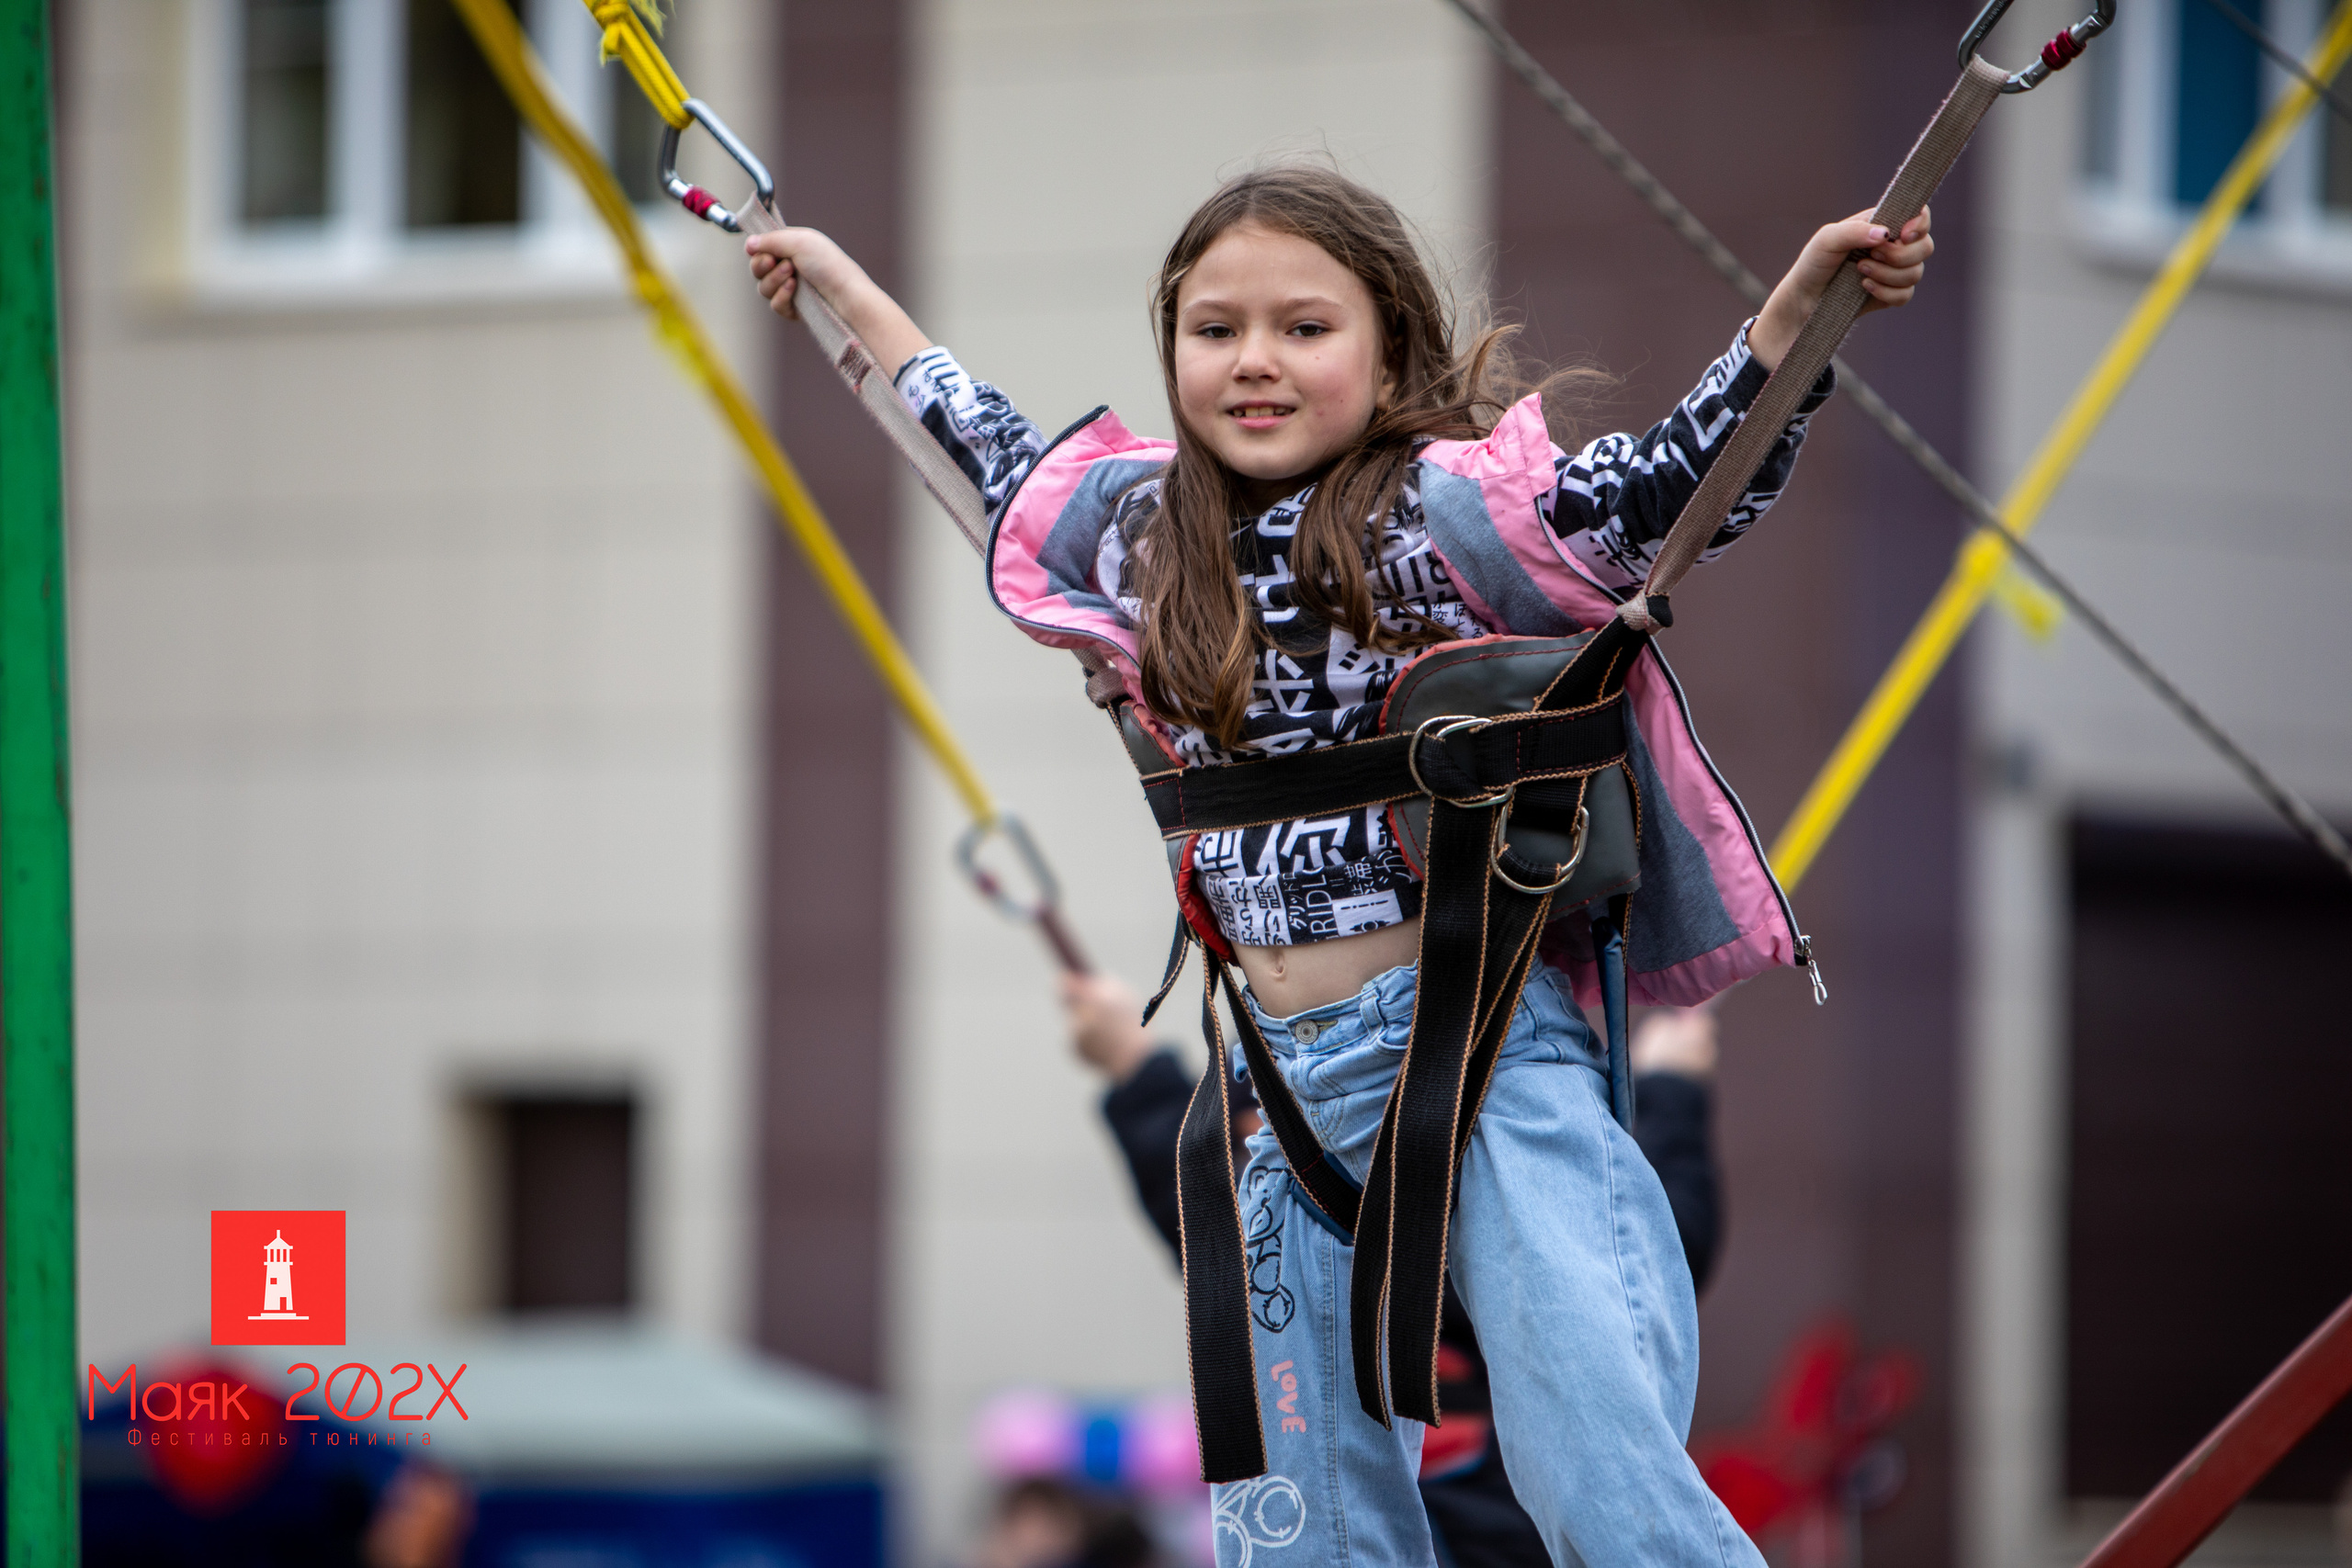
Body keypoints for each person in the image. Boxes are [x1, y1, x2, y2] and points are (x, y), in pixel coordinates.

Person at [749, 164, 1929, 1568]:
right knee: (1296, 1530)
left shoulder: (1448, 513)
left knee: (1596, 1470)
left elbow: (1684, 486)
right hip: (1280, 1089)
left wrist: (1802, 307)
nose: (1254, 360)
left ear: (1388, 351)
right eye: (1214, 328)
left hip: (1484, 1059)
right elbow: (967, 429)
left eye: (1304, 327)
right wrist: (830, 277)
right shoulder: (1137, 533)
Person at [1064, 969, 1724, 1568]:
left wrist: (1138, 1068)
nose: (1261, 1157)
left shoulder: (1467, 1178)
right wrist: (1669, 1089)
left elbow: (1627, 1250)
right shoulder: (1300, 1206)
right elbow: (1219, 1213)